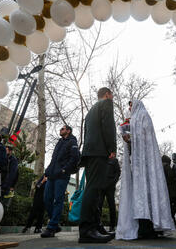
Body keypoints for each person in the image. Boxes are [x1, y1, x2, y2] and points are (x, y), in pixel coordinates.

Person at [116, 100, 175, 240]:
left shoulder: (143, 115)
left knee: (147, 191)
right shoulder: (133, 119)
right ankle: (142, 227)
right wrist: (127, 136)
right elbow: (134, 139)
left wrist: (132, 136)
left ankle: (150, 226)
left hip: (145, 162)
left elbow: (145, 135)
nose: (130, 108)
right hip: (137, 163)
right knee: (140, 193)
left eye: (131, 105)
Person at [79, 87, 116, 244]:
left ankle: (96, 226)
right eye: (111, 95)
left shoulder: (90, 111)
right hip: (99, 152)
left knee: (96, 190)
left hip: (90, 152)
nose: (112, 98)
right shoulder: (106, 104)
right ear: (107, 94)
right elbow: (108, 127)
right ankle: (87, 231)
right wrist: (112, 148)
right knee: (94, 190)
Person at [41, 125, 80, 238]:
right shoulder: (59, 142)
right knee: (47, 199)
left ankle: (52, 227)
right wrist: (47, 171)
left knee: (58, 200)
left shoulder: (72, 142)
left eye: (62, 129)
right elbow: (54, 158)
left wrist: (64, 170)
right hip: (52, 174)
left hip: (62, 176)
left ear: (68, 131)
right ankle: (55, 223)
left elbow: (75, 158)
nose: (60, 130)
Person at [98, 157, 121, 232]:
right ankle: (98, 225)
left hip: (110, 187)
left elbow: (118, 172)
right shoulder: (100, 159)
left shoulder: (114, 160)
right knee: (98, 206)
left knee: (112, 206)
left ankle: (112, 226)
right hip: (100, 187)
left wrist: (113, 182)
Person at [162, 155, 176, 230]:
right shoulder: (166, 166)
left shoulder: (161, 166)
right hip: (171, 189)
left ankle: (171, 222)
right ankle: (171, 220)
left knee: (170, 206)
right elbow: (171, 176)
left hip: (166, 189)